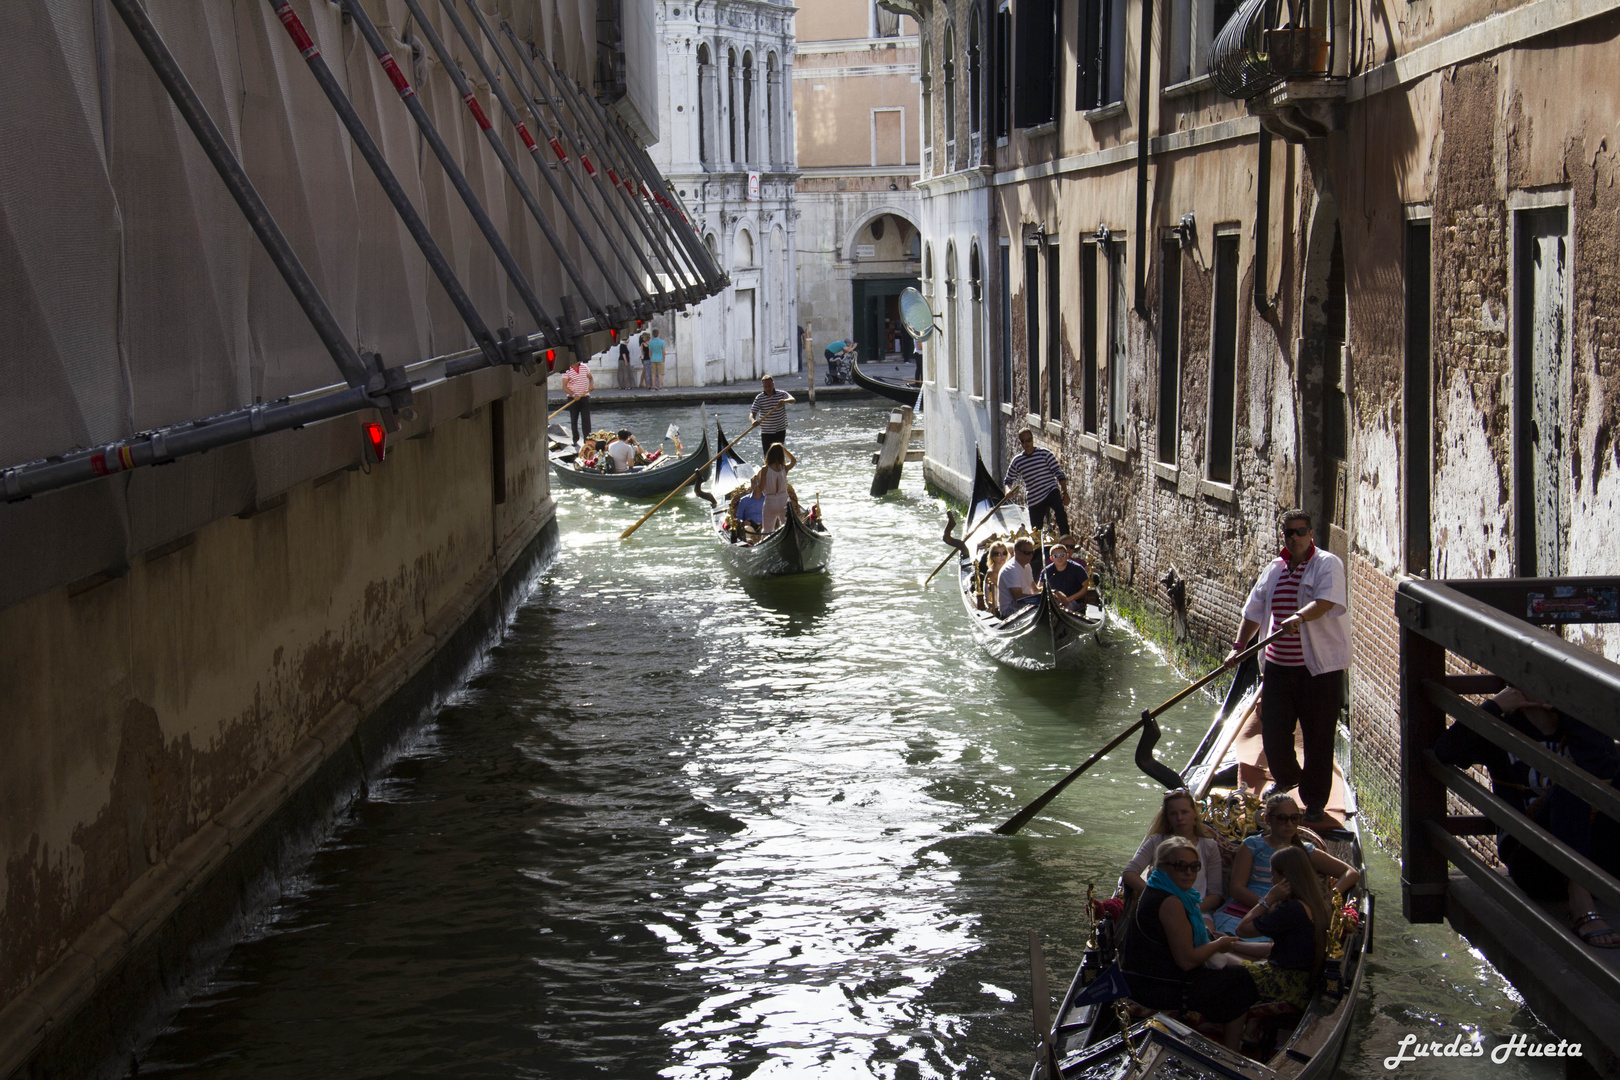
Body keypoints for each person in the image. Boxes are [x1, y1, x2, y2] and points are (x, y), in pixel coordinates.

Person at [1434, 684, 1620, 946]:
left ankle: (1586, 887)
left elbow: (1608, 768)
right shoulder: (1502, 729)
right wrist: (1494, 707)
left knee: (1594, 783)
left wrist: (1572, 713)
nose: (1548, 683)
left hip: (1594, 859)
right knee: (1571, 786)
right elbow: (1446, 750)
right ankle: (1581, 904)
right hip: (1533, 863)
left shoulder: (1578, 731)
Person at [1222, 509, 1349, 824]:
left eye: (1301, 531)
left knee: (1318, 737)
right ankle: (1289, 777)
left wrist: (1300, 616)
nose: (1295, 537)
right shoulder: (1274, 569)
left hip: (1318, 671)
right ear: (1283, 536)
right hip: (1278, 669)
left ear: (1311, 534)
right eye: (1289, 532)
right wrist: (1240, 647)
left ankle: (1315, 801)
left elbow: (1326, 602)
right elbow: (1253, 611)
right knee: (1275, 735)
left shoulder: (1327, 565)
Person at [1118, 836, 1258, 1049]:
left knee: (1233, 970)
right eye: (1181, 866)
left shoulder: (1158, 889)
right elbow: (1187, 961)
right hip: (1160, 988)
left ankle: (1221, 1025)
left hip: (1148, 977)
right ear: (1162, 867)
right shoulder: (1171, 902)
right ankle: (1232, 1049)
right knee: (1240, 980)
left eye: (1194, 866)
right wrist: (1219, 945)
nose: (1189, 872)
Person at [1214, 793, 1359, 937]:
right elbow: (1237, 889)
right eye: (1282, 818)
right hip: (1248, 907)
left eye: (1294, 818)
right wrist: (1267, 905)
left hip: (1285, 911)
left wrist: (1329, 897)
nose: (1289, 824)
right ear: (1268, 819)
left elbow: (1350, 873)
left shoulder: (1305, 851)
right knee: (1231, 934)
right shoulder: (1252, 845)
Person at [1233, 845, 1334, 1010]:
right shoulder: (1317, 904)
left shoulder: (1291, 909)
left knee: (1218, 959)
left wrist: (1268, 899)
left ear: (1285, 878)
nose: (1272, 881)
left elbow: (1242, 929)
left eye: (1273, 875)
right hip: (1302, 981)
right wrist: (1233, 944)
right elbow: (1279, 948)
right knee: (1229, 951)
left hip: (1285, 984)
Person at [1122, 789, 1225, 917]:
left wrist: (1189, 909)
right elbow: (1129, 872)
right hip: (1160, 908)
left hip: (1197, 910)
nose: (1180, 818)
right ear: (1168, 818)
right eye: (1173, 814)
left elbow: (1215, 894)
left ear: (1194, 814)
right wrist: (1154, 895)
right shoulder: (1156, 841)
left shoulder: (1209, 846)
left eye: (1184, 812)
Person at [1003, 429, 1070, 536]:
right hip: (1034, 497)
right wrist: (1008, 490)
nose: (1026, 444)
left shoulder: (1045, 454)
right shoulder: (1017, 461)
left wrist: (1065, 492)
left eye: (1029, 440)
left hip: (1050, 490)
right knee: (1036, 530)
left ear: (1032, 440)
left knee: (1060, 514)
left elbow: (1059, 473)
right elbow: (1008, 480)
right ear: (1020, 442)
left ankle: (1066, 540)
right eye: (1023, 441)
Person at [751, 443, 796, 533]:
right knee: (787, 527)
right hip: (784, 500)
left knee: (767, 530)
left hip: (770, 501)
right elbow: (793, 461)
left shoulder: (765, 469)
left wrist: (755, 482)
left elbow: (761, 489)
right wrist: (784, 449)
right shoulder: (784, 468)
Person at [1040, 542, 1095, 612]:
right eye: (1056, 556)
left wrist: (1069, 599)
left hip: (1073, 602)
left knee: (1064, 609)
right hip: (1053, 602)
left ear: (1067, 555)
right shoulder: (1046, 571)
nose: (1059, 558)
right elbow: (1041, 588)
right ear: (1051, 558)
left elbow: (1086, 587)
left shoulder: (1077, 568)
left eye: (1062, 555)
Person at [750, 375, 795, 456]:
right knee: (768, 456)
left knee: (779, 455)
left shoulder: (781, 394)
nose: (768, 388)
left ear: (773, 384)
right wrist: (753, 421)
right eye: (765, 386)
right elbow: (752, 413)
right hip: (766, 432)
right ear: (763, 386)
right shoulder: (759, 398)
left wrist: (784, 401)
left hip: (780, 430)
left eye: (769, 386)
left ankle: (779, 468)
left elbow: (792, 400)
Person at [996, 539, 1039, 615]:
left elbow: (1034, 590)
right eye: (1027, 553)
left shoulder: (1027, 565)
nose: (1031, 556)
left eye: (1032, 553)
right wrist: (1039, 598)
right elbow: (1019, 598)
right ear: (1018, 552)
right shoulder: (1012, 569)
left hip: (1026, 606)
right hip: (1010, 611)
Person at [562, 355, 593, 446]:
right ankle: (575, 439)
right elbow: (564, 386)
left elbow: (590, 378)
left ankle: (587, 440)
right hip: (573, 399)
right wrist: (573, 395)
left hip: (585, 397)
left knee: (586, 420)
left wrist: (591, 385)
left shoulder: (584, 367)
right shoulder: (567, 370)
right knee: (574, 419)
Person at [982, 542, 1009, 615]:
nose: (1002, 556)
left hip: (1006, 603)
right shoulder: (992, 573)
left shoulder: (1006, 569)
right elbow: (1008, 591)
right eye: (998, 554)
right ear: (993, 557)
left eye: (1004, 553)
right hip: (997, 609)